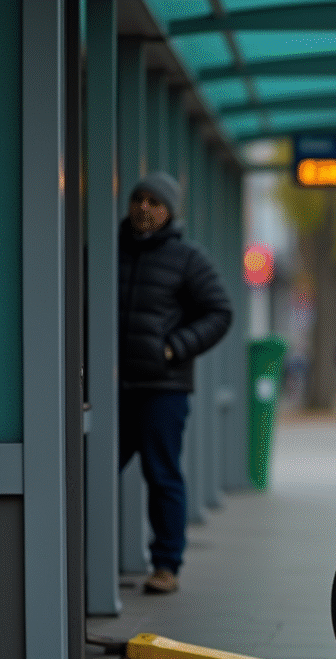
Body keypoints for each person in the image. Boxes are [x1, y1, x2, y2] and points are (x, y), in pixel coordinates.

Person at [118, 171, 232, 594]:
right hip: (110, 390)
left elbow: (220, 313)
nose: (144, 207)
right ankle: (81, 561)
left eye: (154, 202)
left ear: (169, 212)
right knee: (91, 471)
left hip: (163, 388)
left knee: (161, 473)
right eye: (138, 199)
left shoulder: (188, 258)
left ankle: (166, 564)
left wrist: (173, 348)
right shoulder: (107, 250)